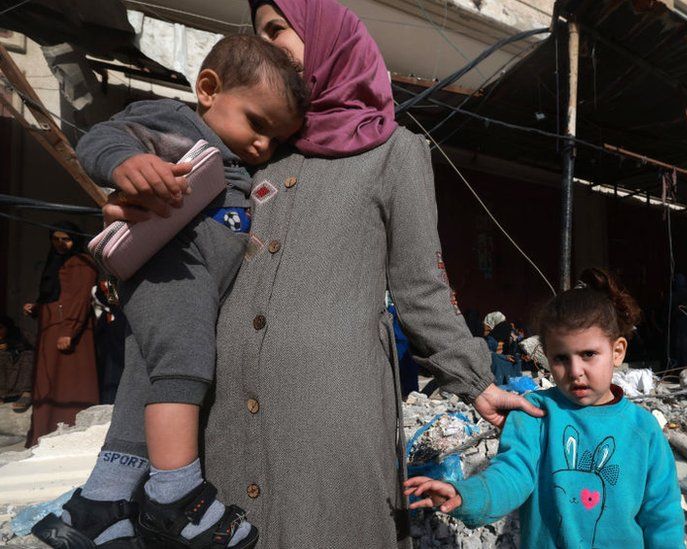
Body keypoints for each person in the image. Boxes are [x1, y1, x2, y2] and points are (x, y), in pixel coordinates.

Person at [82, 2, 543, 547]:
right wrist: (136, 201)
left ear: (328, 34)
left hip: (332, 420)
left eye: (279, 29)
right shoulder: (244, 146)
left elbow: (420, 289)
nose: (270, 46)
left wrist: (477, 382)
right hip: (223, 413)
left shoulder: (394, 151)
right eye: (258, 35)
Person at [33, 35, 307, 549]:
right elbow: (104, 138)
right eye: (258, 124)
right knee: (184, 365)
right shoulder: (177, 126)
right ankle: (175, 496)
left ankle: (100, 504)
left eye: (277, 139)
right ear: (208, 88)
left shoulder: (246, 166)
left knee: (145, 378)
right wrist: (125, 166)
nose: (264, 146)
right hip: (171, 272)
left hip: (193, 286)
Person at [404, 268, 684, 547]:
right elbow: (511, 475)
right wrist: (466, 495)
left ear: (618, 351)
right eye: (561, 358)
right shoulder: (536, 414)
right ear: (546, 357)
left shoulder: (642, 429)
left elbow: (662, 517)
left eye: (589, 354)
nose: (576, 371)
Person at [24, 223, 99, 446]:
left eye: (65, 239)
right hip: (51, 329)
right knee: (49, 383)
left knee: (68, 383)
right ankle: (45, 433)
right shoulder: (55, 261)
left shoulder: (81, 264)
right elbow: (54, 295)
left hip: (68, 332)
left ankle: (70, 434)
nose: (60, 244)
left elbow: (78, 299)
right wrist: (37, 308)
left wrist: (69, 331)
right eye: (55, 239)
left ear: (75, 240)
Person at [92, 279, 125, 405]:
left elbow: (113, 301)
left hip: (119, 333)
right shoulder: (108, 282)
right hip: (112, 335)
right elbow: (112, 301)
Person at [0, 315, 34, 413]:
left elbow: (36, 345)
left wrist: (12, 345)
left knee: (29, 355)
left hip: (20, 367)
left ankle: (26, 394)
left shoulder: (20, 333)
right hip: (5, 371)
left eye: (1, 328)